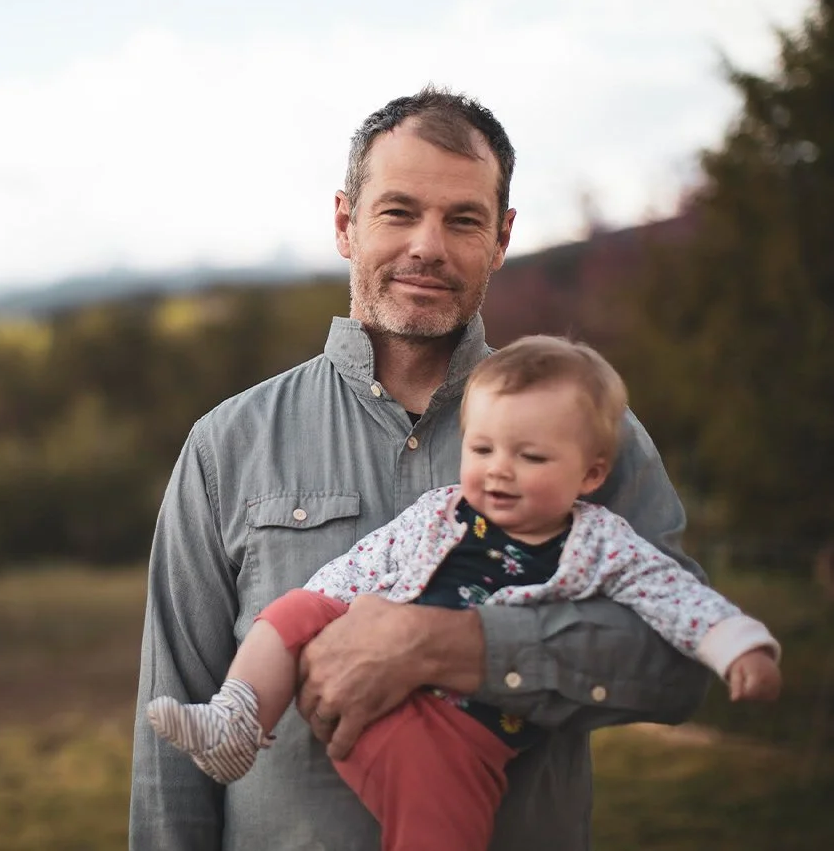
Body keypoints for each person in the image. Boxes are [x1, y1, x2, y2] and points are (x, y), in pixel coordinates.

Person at [130, 86, 712, 851]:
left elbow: (677, 663)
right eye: (398, 211)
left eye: (462, 219)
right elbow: (171, 749)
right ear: (346, 222)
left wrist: (454, 647)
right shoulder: (227, 446)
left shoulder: (590, 435)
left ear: (501, 239)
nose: (427, 247)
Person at [145, 336, 781, 851]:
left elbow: (673, 602)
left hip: (458, 733)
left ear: (591, 473)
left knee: (439, 809)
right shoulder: (432, 508)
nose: (498, 469)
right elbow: (359, 567)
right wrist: (323, 619)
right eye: (480, 450)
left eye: (530, 458)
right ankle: (236, 718)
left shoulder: (600, 539)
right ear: (347, 221)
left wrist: (739, 646)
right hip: (311, 758)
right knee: (292, 607)